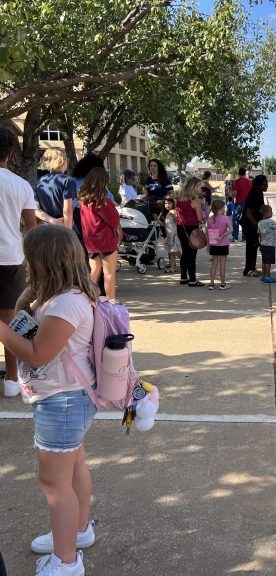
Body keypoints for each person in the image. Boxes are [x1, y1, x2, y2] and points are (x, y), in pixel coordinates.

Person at [0, 225, 100, 576]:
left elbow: (38, 354)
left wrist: (1, 326)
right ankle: (77, 531)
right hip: (70, 398)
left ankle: (66, 561)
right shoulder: (64, 297)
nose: (24, 265)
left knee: (54, 484)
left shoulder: (64, 305)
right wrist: (25, 301)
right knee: (73, 469)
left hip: (63, 402)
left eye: (29, 259)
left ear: (45, 261)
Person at [0, 127, 36, 397]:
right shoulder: (21, 185)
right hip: (11, 257)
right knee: (10, 320)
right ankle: (12, 380)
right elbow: (32, 230)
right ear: (10, 153)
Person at [77, 167, 122, 301]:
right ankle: (111, 303)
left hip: (91, 241)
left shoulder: (84, 201)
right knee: (109, 274)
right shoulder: (105, 202)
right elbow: (114, 221)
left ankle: (87, 300)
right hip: (106, 241)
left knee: (94, 272)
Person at [35, 149, 78, 231]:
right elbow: (67, 211)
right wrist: (68, 232)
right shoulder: (68, 181)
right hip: (63, 229)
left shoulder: (41, 181)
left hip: (46, 229)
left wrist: (53, 221)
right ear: (63, 161)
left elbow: (36, 209)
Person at [175, 176, 205, 287]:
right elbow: (200, 218)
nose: (200, 188)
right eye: (199, 186)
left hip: (181, 227)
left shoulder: (179, 198)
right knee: (192, 254)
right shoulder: (195, 200)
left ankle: (183, 277)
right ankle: (193, 279)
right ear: (194, 187)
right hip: (192, 228)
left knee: (185, 253)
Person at [242, 174, 268, 277]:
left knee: (254, 245)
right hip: (250, 224)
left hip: (254, 223)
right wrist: (257, 225)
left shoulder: (259, 192)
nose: (267, 186)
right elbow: (248, 213)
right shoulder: (254, 194)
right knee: (251, 246)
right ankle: (248, 269)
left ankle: (252, 267)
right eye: (265, 184)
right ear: (259, 185)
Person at [206, 199, 232, 290]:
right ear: (221, 208)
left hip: (214, 244)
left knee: (214, 264)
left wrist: (208, 244)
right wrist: (222, 236)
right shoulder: (225, 218)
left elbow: (207, 233)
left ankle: (211, 283)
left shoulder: (209, 219)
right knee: (222, 265)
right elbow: (231, 230)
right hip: (223, 244)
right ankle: (222, 284)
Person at [161, 197, 181, 274]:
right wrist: (157, 219)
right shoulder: (168, 213)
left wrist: (174, 214)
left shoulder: (172, 212)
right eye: (166, 203)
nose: (167, 205)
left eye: (169, 203)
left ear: (173, 204)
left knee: (176, 252)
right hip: (169, 235)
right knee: (171, 252)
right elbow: (164, 225)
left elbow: (178, 221)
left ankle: (186, 263)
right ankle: (172, 267)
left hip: (174, 235)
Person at [231, 167, 252, 242]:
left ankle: (235, 237)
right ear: (244, 173)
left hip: (239, 203)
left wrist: (231, 196)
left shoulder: (236, 182)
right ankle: (245, 237)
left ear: (239, 173)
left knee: (235, 219)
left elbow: (234, 193)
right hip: (248, 203)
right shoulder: (250, 182)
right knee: (245, 220)